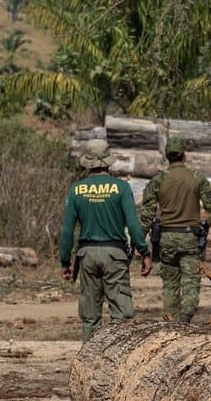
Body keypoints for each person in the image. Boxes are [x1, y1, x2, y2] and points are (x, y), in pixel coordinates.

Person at [58, 139, 151, 340]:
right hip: (115, 255)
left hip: (87, 255)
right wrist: (144, 252)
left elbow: (67, 231)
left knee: (90, 316)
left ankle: (89, 362)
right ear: (108, 161)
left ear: (87, 162)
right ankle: (119, 362)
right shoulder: (122, 188)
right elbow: (134, 226)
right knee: (121, 314)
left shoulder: (76, 190)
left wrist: (65, 261)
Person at [140, 137, 211, 324]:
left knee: (170, 286)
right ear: (184, 155)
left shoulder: (158, 181)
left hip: (166, 239)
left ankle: (172, 323)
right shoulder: (197, 178)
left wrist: (140, 245)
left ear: (167, 157)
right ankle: (184, 320)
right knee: (191, 286)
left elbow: (147, 215)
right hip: (190, 238)